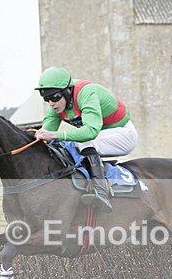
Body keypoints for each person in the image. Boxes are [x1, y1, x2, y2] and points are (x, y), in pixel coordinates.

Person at [34, 66, 138, 212]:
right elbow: (45, 136)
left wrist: (57, 135)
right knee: (65, 145)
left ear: (67, 91)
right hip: (101, 136)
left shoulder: (86, 93)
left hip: (124, 135)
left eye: (55, 97)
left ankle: (100, 192)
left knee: (82, 142)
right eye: (47, 98)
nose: (51, 103)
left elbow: (90, 131)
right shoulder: (56, 106)